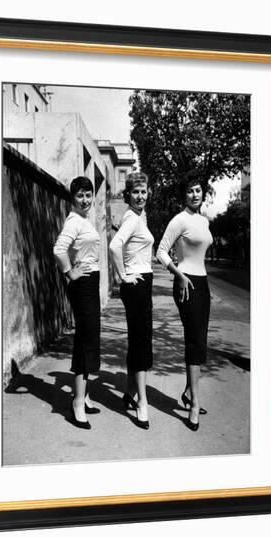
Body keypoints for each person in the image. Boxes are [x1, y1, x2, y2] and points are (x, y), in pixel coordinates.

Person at [156, 174, 213, 431]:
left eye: (198, 190)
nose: (195, 195)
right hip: (185, 283)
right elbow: (160, 251)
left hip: (203, 284)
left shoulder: (204, 220)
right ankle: (193, 403)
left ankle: (189, 393)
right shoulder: (179, 220)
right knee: (194, 340)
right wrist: (178, 274)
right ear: (184, 195)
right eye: (190, 191)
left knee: (200, 340)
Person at [53, 177, 101, 430]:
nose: (85, 200)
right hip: (82, 285)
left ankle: (85, 395)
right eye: (80, 195)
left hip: (90, 282)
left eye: (88, 195)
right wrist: (69, 273)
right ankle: (78, 404)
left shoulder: (84, 220)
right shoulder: (73, 221)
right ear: (73, 198)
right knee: (84, 341)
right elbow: (59, 249)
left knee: (90, 339)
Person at [109, 172, 154, 429]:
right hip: (135, 285)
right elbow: (115, 246)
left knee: (139, 340)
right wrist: (123, 277)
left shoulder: (139, 217)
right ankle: (142, 403)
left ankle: (129, 392)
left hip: (142, 283)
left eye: (143, 191)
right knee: (141, 344)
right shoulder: (131, 218)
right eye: (136, 192)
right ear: (129, 194)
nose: (140, 196)